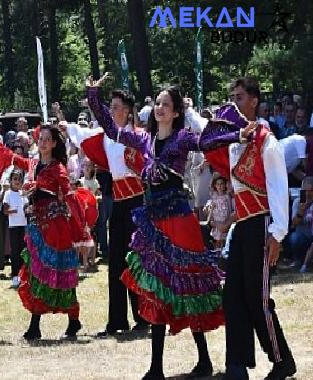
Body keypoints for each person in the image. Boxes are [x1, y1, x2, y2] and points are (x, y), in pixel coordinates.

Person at [86, 74, 253, 379]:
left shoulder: (182, 138)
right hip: (154, 222)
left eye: (165, 104)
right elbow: (110, 128)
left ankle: (202, 359)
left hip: (178, 220)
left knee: (186, 288)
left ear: (176, 111)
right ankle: (156, 367)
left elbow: (207, 141)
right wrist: (93, 93)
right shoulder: (144, 139)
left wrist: (237, 136)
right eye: (158, 103)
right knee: (158, 289)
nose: (159, 107)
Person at [204, 78, 296, 380]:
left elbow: (278, 185)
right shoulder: (234, 142)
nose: (235, 103)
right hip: (242, 225)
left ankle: (282, 360)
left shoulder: (266, 139)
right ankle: (237, 365)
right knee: (232, 295)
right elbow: (204, 139)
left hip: (263, 222)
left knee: (257, 296)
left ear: (254, 100)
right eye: (232, 98)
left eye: (240, 97)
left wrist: (278, 233)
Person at [0, 122, 84, 341]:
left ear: (54, 143)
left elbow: (69, 194)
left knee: (59, 273)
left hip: (54, 229)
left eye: (47, 140)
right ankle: (36, 325)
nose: (42, 143)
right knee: (35, 273)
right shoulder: (33, 164)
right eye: (40, 139)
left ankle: (72, 319)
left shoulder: (58, 168)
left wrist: (81, 226)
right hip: (36, 227)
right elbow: (12, 158)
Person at [66, 88, 150, 337]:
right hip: (119, 203)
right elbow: (84, 132)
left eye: (115, 107)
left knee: (136, 261)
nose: (111, 111)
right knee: (115, 262)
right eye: (110, 106)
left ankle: (144, 317)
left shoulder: (138, 136)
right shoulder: (107, 135)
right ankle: (117, 321)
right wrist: (91, 95)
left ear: (127, 110)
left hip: (137, 202)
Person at [3, 169, 28, 288]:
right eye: (15, 179)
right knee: (14, 251)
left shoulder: (23, 193)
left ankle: (23, 275)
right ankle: (14, 275)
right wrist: (12, 211)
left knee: (23, 251)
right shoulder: (8, 194)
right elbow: (5, 210)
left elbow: (27, 207)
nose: (17, 181)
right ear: (11, 180)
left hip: (23, 225)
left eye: (19, 179)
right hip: (13, 226)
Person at [205, 176, 235, 250]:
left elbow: (230, 208)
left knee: (225, 240)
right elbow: (211, 208)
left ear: (225, 185)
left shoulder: (227, 196)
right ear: (215, 186)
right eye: (218, 184)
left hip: (224, 221)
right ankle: (217, 253)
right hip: (216, 221)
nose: (220, 186)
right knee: (217, 240)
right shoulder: (214, 196)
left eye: (222, 184)